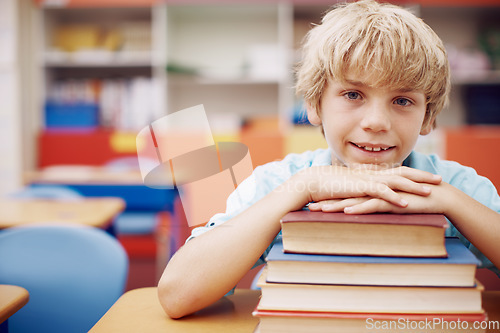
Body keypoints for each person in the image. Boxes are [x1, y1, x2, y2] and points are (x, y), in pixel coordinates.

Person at [158, 0, 500, 318]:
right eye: (353, 94)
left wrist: (452, 202)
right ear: (314, 104)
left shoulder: (456, 187)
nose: (376, 122)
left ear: (428, 116)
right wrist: (301, 189)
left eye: (403, 101)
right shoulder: (279, 183)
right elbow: (177, 295)